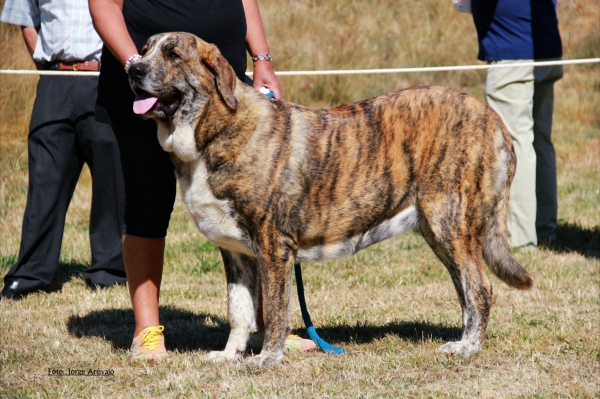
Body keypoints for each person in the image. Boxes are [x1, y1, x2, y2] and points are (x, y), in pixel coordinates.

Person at [89, 0, 314, 361]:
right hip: (145, 79)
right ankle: (147, 333)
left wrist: (262, 60)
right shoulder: (143, 66)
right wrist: (135, 63)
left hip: (221, 84)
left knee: (254, 211)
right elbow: (103, 4)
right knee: (146, 204)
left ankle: (267, 328)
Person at [0, 0, 127, 299]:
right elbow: (25, 19)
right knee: (45, 179)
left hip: (106, 77)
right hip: (54, 80)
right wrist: (47, 67)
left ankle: (109, 272)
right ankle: (30, 274)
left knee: (112, 178)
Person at [471, 0, 563, 250]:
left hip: (513, 56)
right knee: (539, 142)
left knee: (515, 145)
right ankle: (544, 229)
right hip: (546, 46)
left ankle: (522, 239)